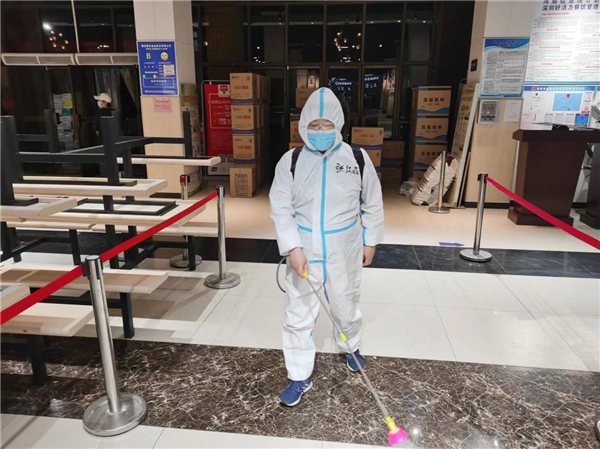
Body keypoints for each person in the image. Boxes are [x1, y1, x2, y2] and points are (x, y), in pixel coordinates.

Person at [270, 87, 384, 407]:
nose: (320, 131)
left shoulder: (356, 158)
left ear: (338, 125)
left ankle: (350, 347)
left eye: (327, 125)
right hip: (304, 247)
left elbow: (372, 202)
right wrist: (293, 248)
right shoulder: (291, 161)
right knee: (298, 312)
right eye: (314, 125)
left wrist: (370, 241)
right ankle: (299, 374)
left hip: (344, 245)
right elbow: (281, 207)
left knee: (346, 301)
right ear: (303, 125)